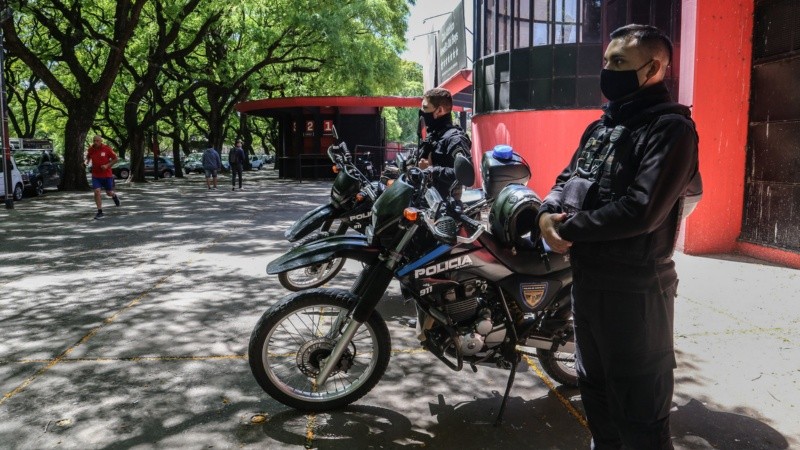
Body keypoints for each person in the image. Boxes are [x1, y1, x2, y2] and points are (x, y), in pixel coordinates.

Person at [536, 24, 701, 449]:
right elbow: (565, 178)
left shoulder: (670, 130)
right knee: (598, 400)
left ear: (654, 68)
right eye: (607, 61)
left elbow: (641, 210)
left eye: (620, 62)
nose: (608, 70)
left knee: (640, 415)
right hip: (588, 285)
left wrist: (566, 229)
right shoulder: (600, 128)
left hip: (636, 292)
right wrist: (544, 214)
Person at [418, 88, 472, 196]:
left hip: (446, 206)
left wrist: (432, 170)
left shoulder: (455, 139)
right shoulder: (435, 134)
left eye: (425, 108)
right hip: (427, 199)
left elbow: (465, 174)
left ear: (439, 110)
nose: (422, 112)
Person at [85, 135, 121, 220]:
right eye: (94, 140)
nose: (95, 142)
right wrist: (86, 162)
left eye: (97, 141)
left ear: (101, 141)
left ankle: (114, 196)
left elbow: (115, 159)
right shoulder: (91, 149)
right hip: (96, 175)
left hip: (107, 175)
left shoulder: (107, 148)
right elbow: (88, 157)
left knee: (109, 193)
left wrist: (107, 165)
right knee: (97, 191)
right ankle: (99, 211)